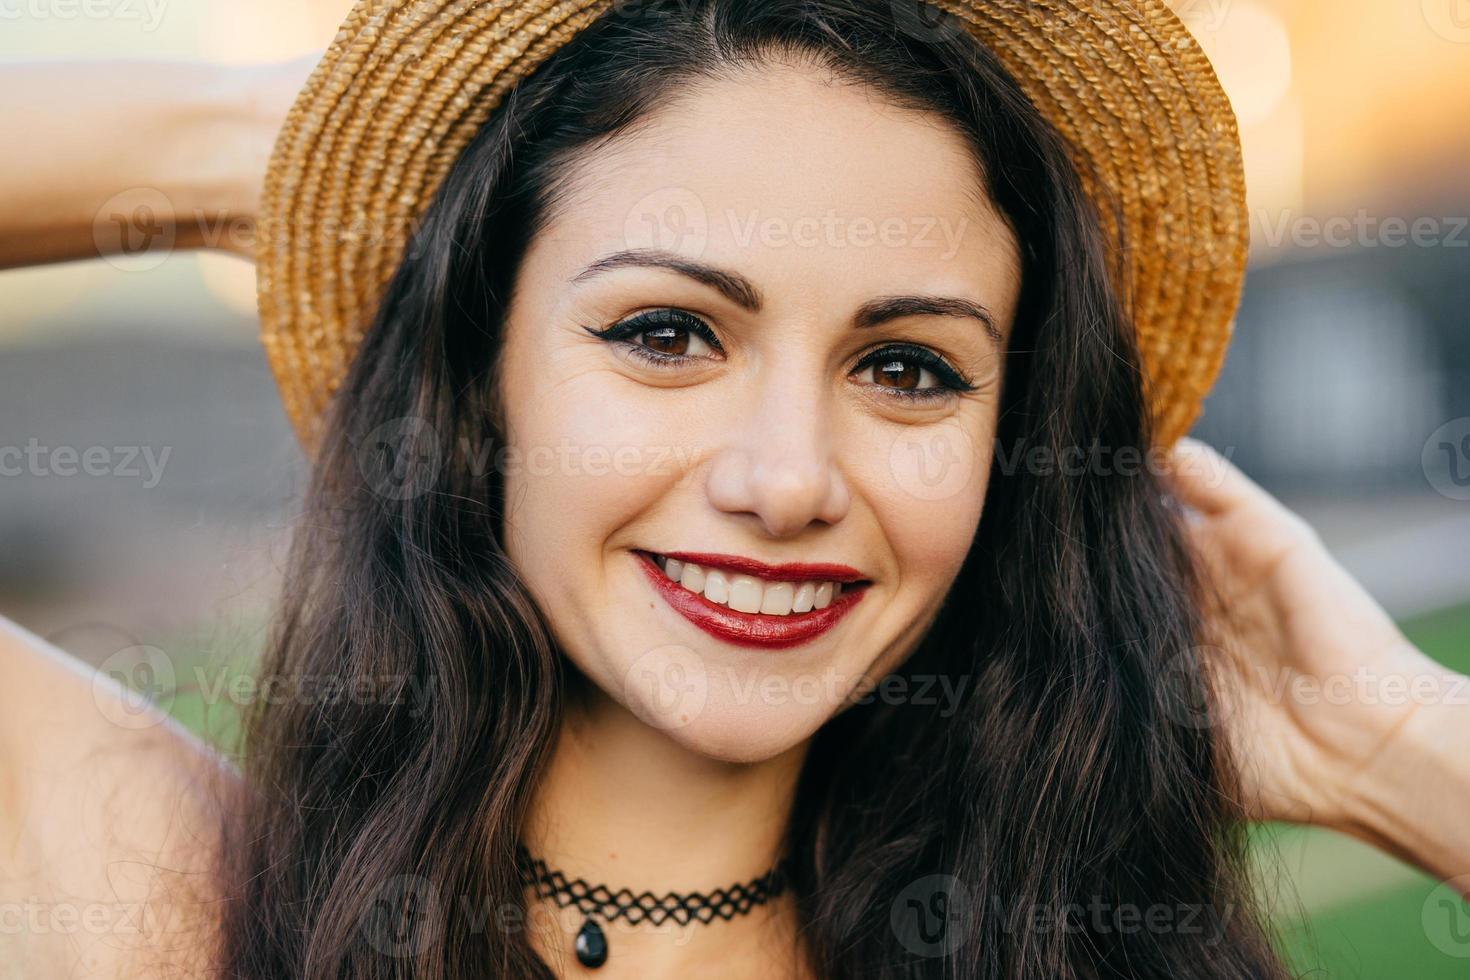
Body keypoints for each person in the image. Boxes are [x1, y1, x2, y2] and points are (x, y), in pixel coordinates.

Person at [1, 0, 1467, 976]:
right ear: (477, 379)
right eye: (664, 334)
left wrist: (1394, 757)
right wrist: (280, 143)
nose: (786, 480)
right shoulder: (177, 907)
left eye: (906, 369)